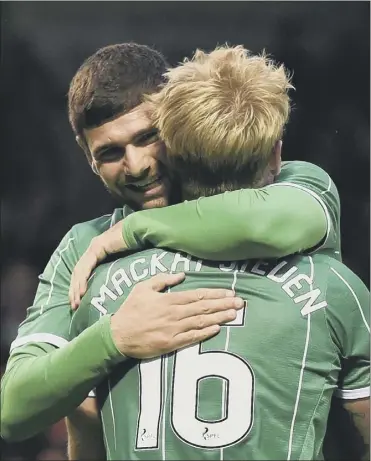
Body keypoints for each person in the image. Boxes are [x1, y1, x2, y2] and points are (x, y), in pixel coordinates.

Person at [1, 42, 342, 458]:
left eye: (147, 137)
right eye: (109, 153)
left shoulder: (281, 180)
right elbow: (13, 410)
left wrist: (134, 230)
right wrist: (114, 339)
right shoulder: (82, 246)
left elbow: (289, 219)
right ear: (89, 161)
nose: (137, 164)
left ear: (176, 119)